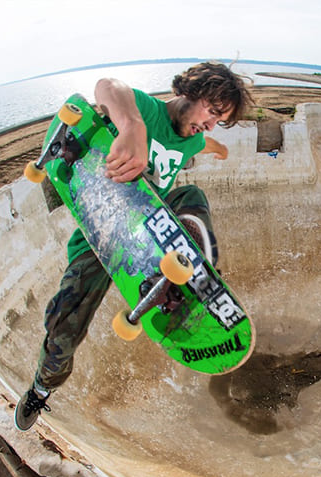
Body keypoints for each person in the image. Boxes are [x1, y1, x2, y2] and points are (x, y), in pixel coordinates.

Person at [15, 62, 254, 431]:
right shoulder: (145, 109)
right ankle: (41, 389)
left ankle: (196, 275)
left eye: (219, 120)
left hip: (152, 235)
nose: (209, 124)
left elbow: (202, 142)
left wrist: (218, 147)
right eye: (213, 113)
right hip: (101, 235)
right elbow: (108, 86)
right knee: (64, 324)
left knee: (190, 194)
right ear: (195, 91)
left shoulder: (193, 137)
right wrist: (131, 127)